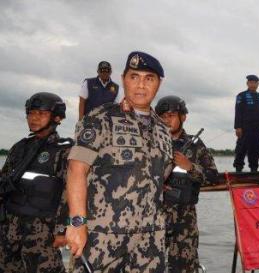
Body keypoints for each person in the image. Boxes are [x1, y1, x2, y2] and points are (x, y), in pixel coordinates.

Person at [66, 51, 173, 272]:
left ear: (158, 84)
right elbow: (76, 170)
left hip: (151, 241)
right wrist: (76, 224)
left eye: (149, 78)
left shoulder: (164, 130)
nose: (141, 85)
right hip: (102, 239)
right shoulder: (100, 118)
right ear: (124, 79)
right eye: (134, 77)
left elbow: (161, 177)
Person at [0, 92, 71, 273]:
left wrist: (62, 230)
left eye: (41, 113)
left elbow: (69, 193)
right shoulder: (19, 147)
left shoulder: (64, 151)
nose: (34, 118)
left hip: (42, 232)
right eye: (31, 113)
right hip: (9, 228)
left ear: (56, 117)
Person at [155, 95, 218, 273]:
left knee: (185, 269)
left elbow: (213, 177)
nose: (167, 120)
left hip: (184, 221)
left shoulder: (196, 146)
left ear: (183, 117)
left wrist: (190, 167)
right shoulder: (150, 143)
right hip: (153, 218)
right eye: (163, 116)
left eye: (172, 115)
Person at [233, 75, 259, 172]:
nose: (253, 84)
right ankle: (238, 168)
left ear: (258, 84)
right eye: (251, 82)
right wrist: (238, 127)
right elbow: (238, 112)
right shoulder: (241, 95)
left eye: (255, 83)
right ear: (247, 83)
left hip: (258, 127)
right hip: (245, 127)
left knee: (257, 148)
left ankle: (254, 169)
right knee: (241, 148)